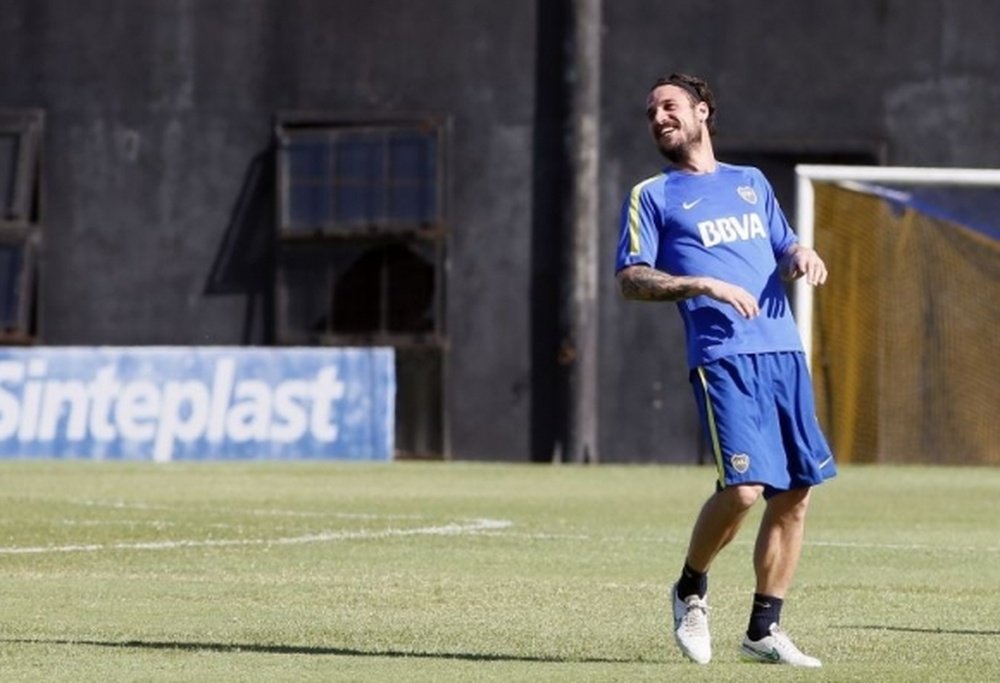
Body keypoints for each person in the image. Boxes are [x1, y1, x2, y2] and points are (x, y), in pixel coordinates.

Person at [614, 72, 837, 667]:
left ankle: (764, 630)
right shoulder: (652, 196)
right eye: (651, 111)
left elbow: (785, 245)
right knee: (743, 489)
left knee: (794, 494)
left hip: (782, 352)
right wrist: (700, 283)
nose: (658, 117)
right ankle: (690, 589)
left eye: (669, 105)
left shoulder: (751, 183)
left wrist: (802, 252)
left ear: (703, 111)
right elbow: (631, 278)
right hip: (723, 359)